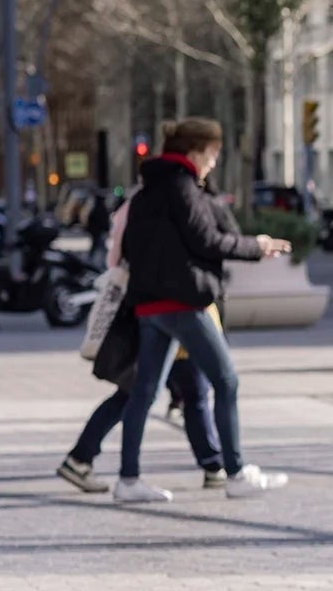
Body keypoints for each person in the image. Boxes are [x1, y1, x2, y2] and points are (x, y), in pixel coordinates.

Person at [111, 117, 290, 503]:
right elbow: (207, 240)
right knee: (226, 381)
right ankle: (237, 472)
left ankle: (128, 480)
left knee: (144, 391)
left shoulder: (146, 191)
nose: (213, 164)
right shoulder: (183, 188)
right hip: (183, 303)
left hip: (149, 306)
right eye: (212, 155)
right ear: (195, 152)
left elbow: (130, 248)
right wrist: (256, 246)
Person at [57, 172, 227, 494]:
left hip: (155, 311)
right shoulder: (159, 206)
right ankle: (96, 463)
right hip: (162, 312)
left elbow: (116, 257)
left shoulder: (142, 204)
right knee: (147, 392)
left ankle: (212, 464)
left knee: (177, 390)